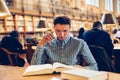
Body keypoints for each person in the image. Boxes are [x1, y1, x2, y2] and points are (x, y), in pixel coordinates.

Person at [31, 16, 98, 70]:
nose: (62, 34)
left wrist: (82, 69)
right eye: (58, 31)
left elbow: (94, 66)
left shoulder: (80, 43)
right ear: (54, 28)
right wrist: (40, 45)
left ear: (70, 28)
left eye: (65, 31)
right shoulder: (47, 44)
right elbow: (34, 67)